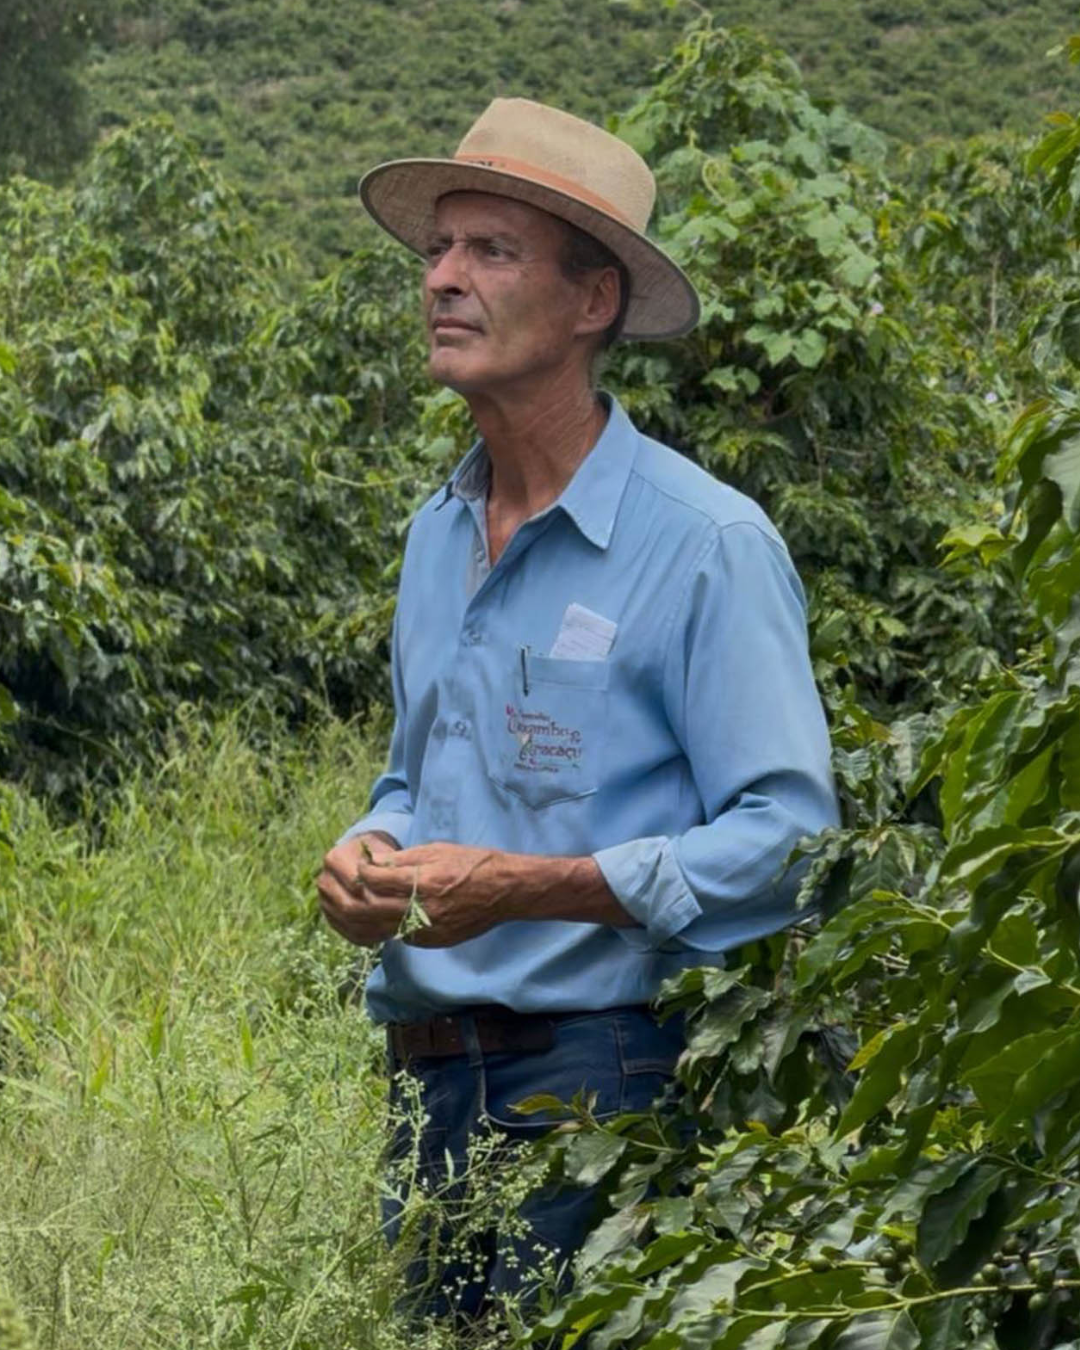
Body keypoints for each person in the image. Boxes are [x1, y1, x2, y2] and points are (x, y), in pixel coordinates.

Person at [316, 97, 839, 1319]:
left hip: (604, 1079)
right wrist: (369, 849)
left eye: (490, 252)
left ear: (593, 301)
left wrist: (535, 886)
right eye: (440, 249)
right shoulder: (436, 536)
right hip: (426, 1082)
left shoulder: (705, 545)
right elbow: (418, 776)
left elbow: (790, 842)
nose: (442, 279)